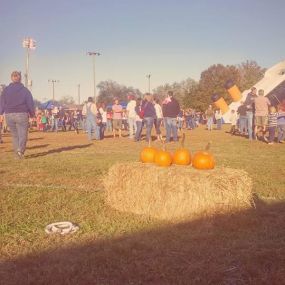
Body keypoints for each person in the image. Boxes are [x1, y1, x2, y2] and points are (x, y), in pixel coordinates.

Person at [0, 71, 35, 158]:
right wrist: (32, 114)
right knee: (23, 134)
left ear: (11, 78)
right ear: (20, 79)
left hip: (9, 115)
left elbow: (2, 102)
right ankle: (20, 150)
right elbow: (30, 103)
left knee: (15, 136)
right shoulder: (25, 90)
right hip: (21, 114)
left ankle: (17, 155)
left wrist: (1, 112)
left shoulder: (6, 90)